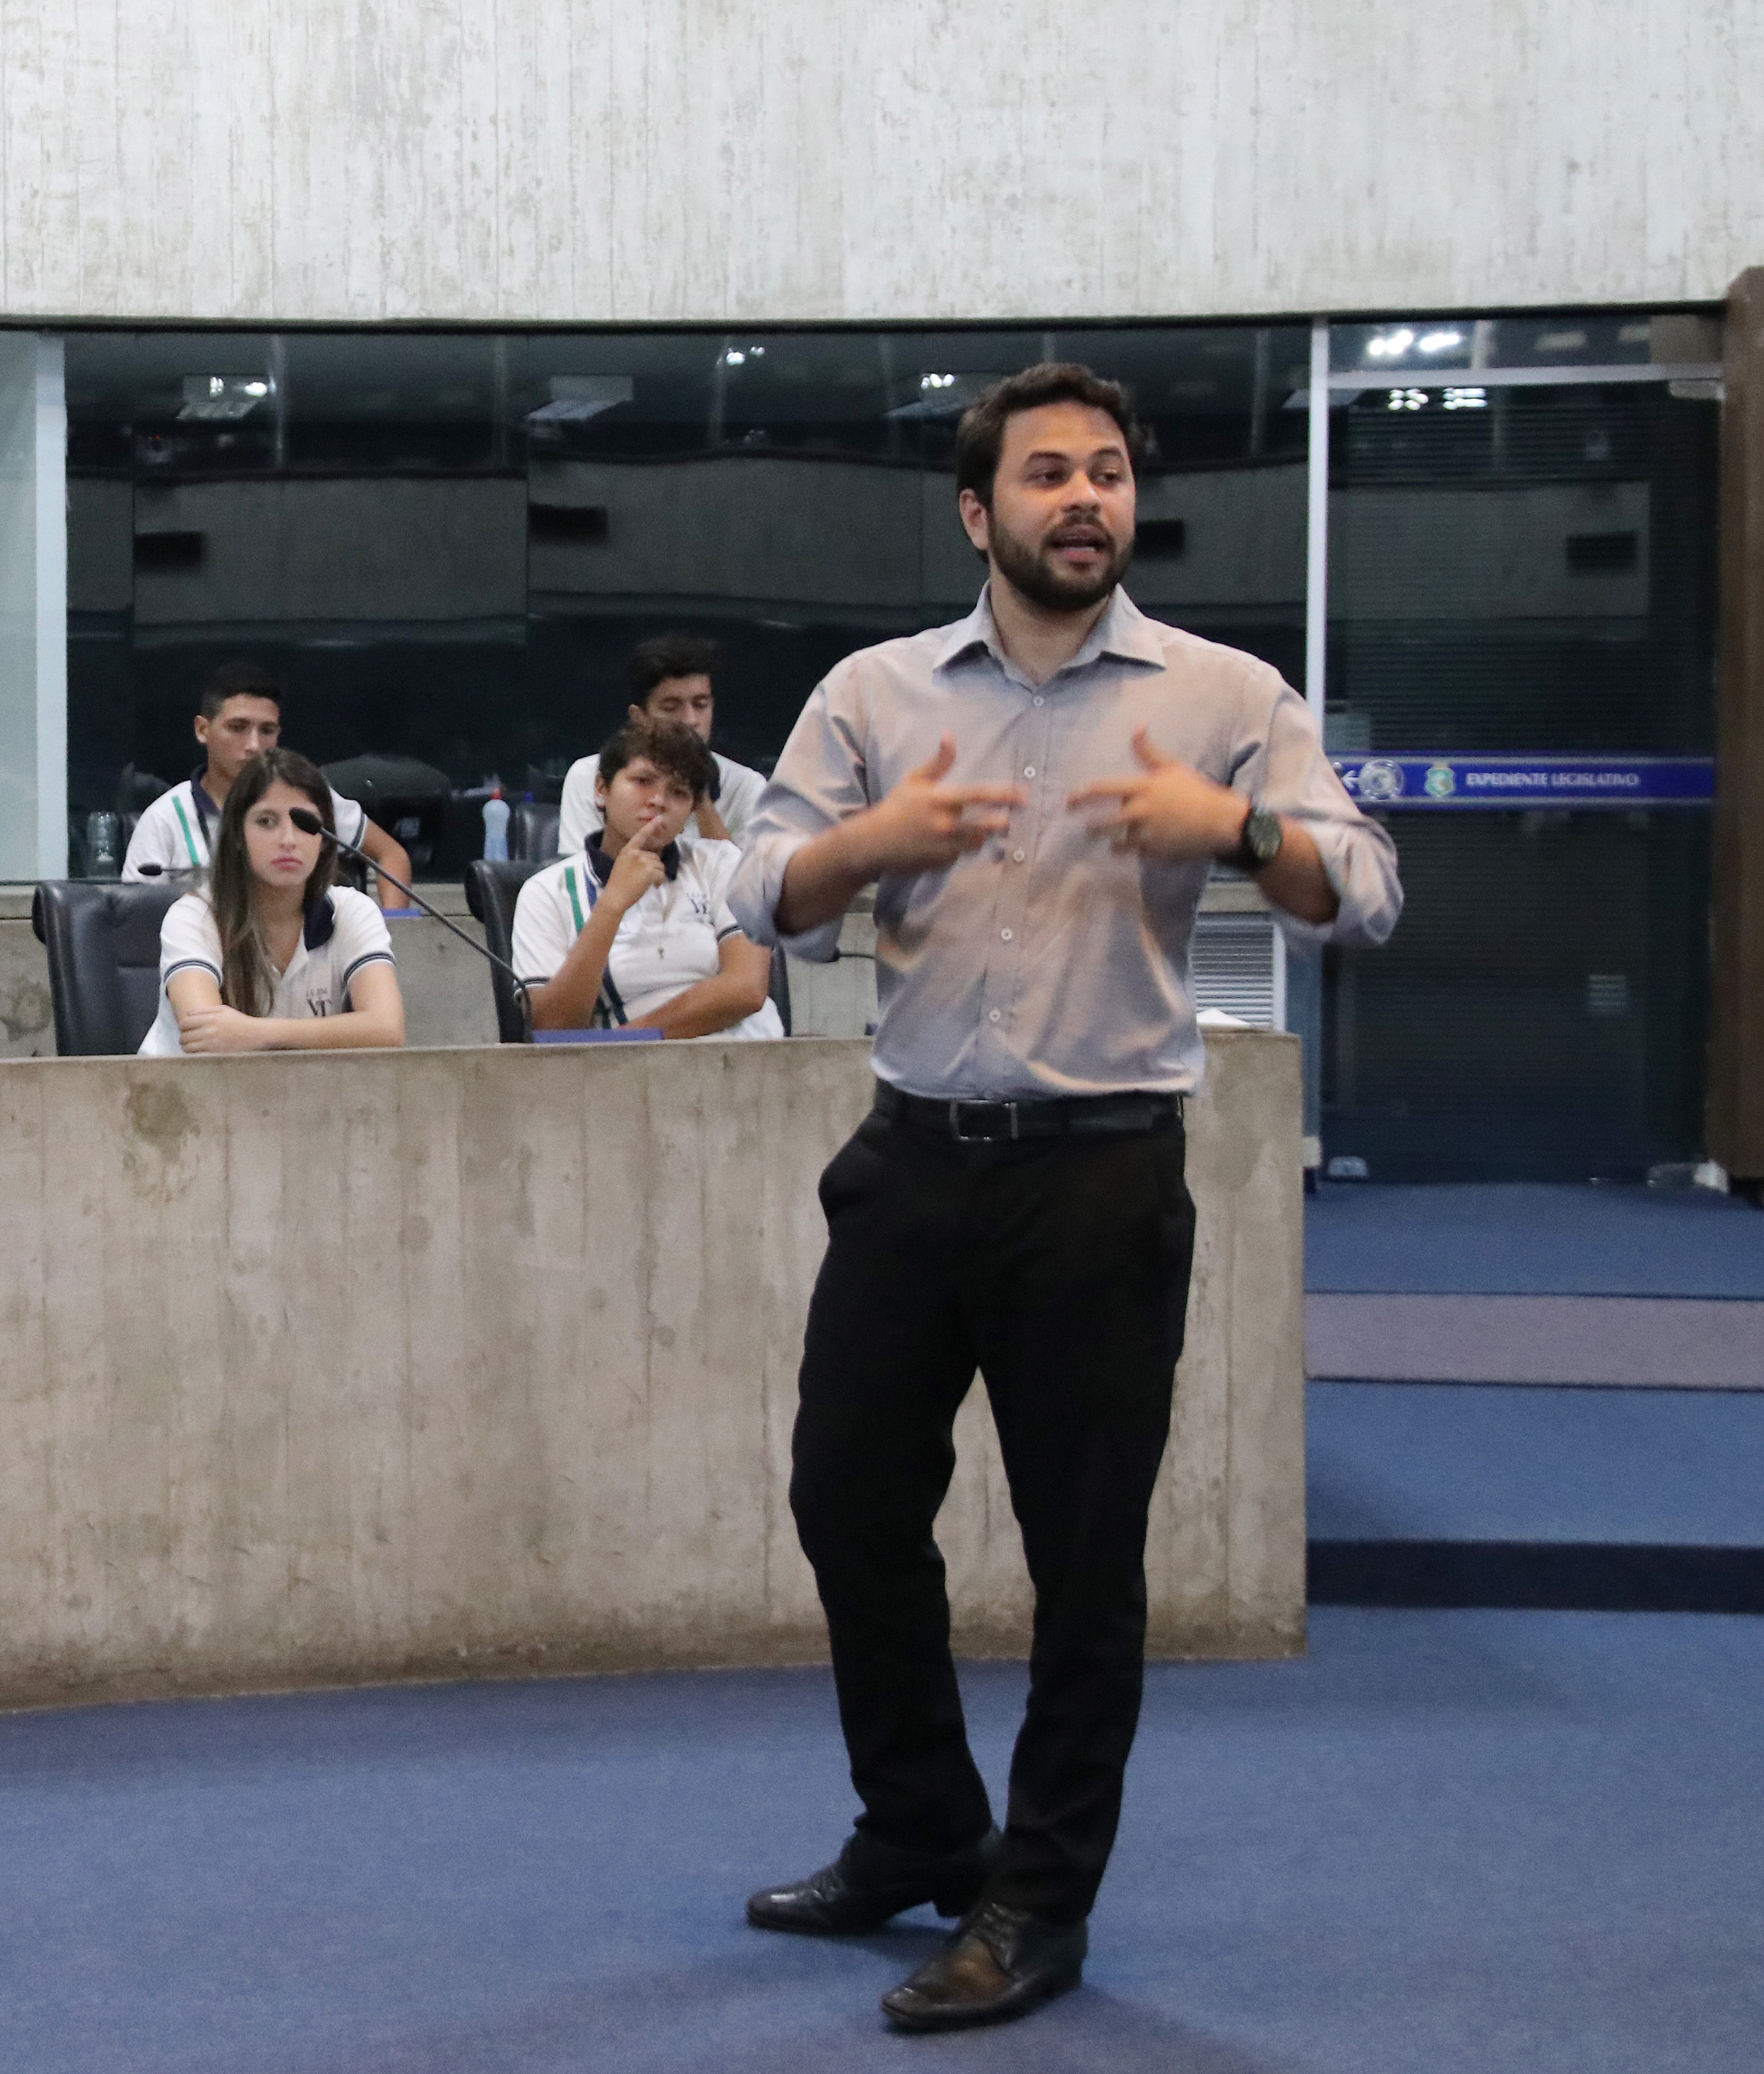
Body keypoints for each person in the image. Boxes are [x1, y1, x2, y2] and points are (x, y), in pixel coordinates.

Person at [723, 364, 1401, 2033]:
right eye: (1046, 474)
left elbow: (1365, 891)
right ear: (980, 512)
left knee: (1082, 1556)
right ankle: (918, 1821)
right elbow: (765, 895)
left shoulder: (1223, 692)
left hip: (1099, 1175)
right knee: (844, 1500)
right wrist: (873, 841)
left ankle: (1036, 1897)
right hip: (908, 1162)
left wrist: (1231, 824)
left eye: (1106, 470)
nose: (1083, 496)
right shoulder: (875, 691)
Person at [515, 719, 782, 1039]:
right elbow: (551, 1028)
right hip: (635, 1070)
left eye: (678, 792)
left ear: (689, 813)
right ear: (601, 789)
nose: (658, 800)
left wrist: (623, 1042)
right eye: (643, 781)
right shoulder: (546, 892)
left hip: (752, 1055)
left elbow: (747, 989)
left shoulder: (723, 861)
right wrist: (612, 905)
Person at [142, 748, 404, 1057]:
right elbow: (205, 1038)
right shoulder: (194, 916)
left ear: (324, 839)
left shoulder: (352, 911)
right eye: (266, 822)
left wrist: (255, 1033)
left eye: (305, 823)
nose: (288, 840)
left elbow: (387, 1029)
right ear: (237, 836)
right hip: (178, 1087)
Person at [122, 662, 415, 898]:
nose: (254, 745)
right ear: (202, 730)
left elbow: (391, 855)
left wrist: (392, 929)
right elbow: (131, 920)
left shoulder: (305, 798)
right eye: (237, 727)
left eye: (267, 731)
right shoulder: (165, 818)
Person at [556, 633, 772, 850]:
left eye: (700, 705)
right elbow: (580, 867)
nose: (690, 720)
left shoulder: (748, 786)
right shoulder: (587, 775)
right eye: (671, 707)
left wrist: (701, 795)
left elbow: (746, 872)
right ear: (638, 718)